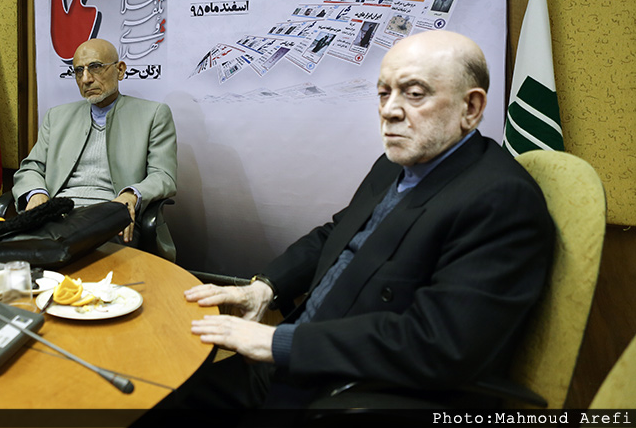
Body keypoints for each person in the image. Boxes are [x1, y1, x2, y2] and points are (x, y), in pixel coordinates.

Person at [166, 30, 554, 411]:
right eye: (384, 93)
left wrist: (278, 343)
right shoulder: (394, 164)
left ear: (470, 108)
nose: (389, 110)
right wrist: (266, 288)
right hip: (298, 357)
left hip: (355, 390)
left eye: (414, 93)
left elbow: (440, 344)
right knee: (162, 395)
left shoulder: (500, 199)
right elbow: (337, 233)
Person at [12, 38, 177, 243]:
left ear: (120, 70)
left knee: (77, 251)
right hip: (57, 214)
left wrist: (132, 194)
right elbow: (31, 168)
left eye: (95, 67)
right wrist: (37, 193)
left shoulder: (153, 115)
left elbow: (163, 175)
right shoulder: (57, 117)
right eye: (78, 71)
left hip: (109, 216)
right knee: (8, 248)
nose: (86, 79)